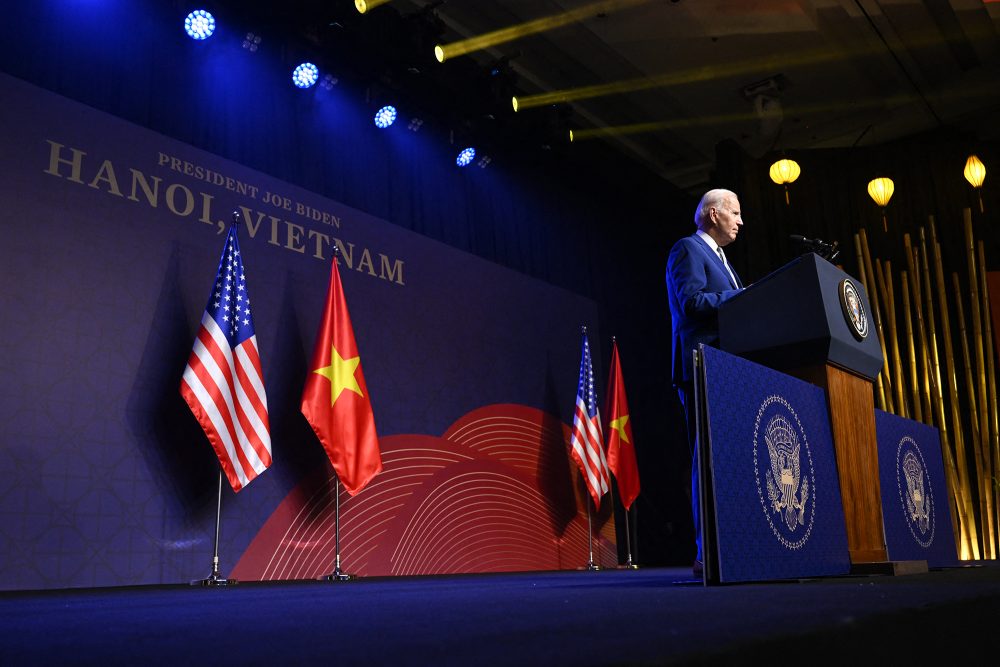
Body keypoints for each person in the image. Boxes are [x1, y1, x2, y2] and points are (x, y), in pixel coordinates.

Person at [665, 188, 745, 575]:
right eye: (735, 212)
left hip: (731, 367)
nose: (740, 221)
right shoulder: (687, 249)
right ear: (713, 214)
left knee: (731, 457)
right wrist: (744, 299)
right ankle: (707, 551)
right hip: (701, 365)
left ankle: (736, 541)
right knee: (707, 456)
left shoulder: (723, 259)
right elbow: (692, 303)